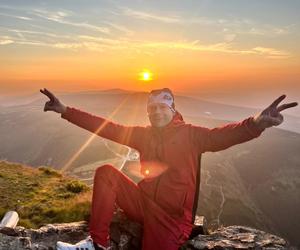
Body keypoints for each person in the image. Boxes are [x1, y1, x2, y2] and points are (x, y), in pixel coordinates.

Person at [40, 88, 297, 250]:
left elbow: (224, 135)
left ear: (172, 109)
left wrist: (256, 123)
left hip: (172, 219)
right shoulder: (143, 135)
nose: (156, 112)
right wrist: (65, 111)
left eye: (162, 107)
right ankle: (96, 244)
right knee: (106, 173)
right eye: (151, 108)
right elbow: (106, 126)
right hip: (143, 203)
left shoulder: (191, 135)